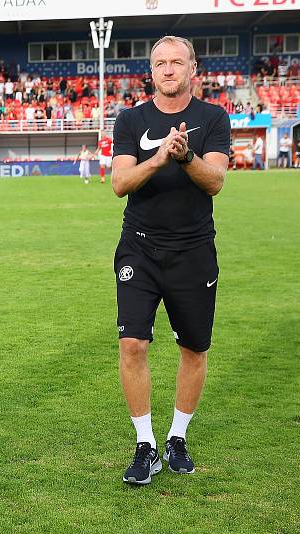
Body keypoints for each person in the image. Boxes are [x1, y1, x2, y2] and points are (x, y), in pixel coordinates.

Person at [111, 36, 229, 485]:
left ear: (192, 68)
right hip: (139, 248)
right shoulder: (131, 119)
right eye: (160, 63)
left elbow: (215, 180)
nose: (167, 69)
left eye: (176, 62)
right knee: (132, 345)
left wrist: (187, 157)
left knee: (193, 348)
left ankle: (176, 437)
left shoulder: (212, 118)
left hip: (193, 250)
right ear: (151, 71)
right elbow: (120, 183)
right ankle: (145, 444)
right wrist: (161, 156)